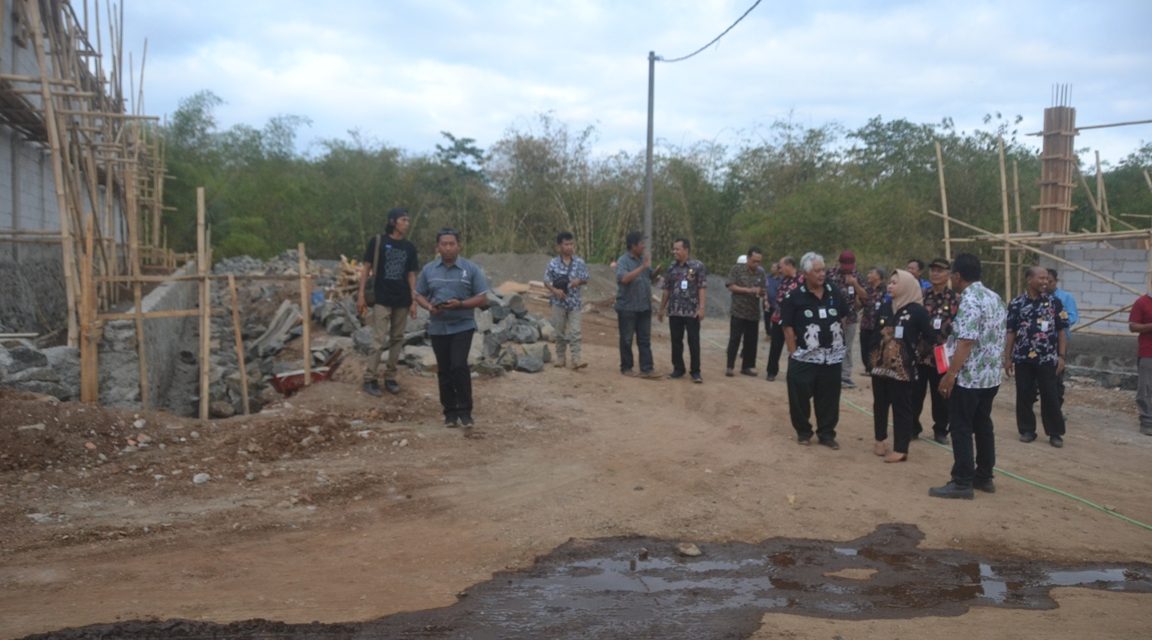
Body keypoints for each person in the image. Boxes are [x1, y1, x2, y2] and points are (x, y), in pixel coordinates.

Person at [930, 253, 1006, 499]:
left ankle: (962, 481)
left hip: (969, 377)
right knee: (983, 424)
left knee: (961, 427)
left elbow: (966, 341)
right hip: (990, 376)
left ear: (957, 276)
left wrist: (951, 374)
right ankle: (984, 476)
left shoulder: (970, 300)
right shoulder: (994, 297)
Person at [413, 228, 491, 427]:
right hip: (438, 327)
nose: (448, 248)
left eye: (452, 244)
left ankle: (465, 411)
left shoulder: (471, 269)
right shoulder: (429, 270)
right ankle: (449, 412)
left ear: (459, 246)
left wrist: (461, 304)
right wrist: (429, 306)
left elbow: (482, 297)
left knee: (459, 365)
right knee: (444, 369)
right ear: (437, 247)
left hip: (462, 325)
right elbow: (418, 294)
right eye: (444, 244)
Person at [781, 252, 850, 449]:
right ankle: (803, 432)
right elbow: (787, 327)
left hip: (831, 358)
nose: (822, 274)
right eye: (817, 271)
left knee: (829, 397)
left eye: (823, 270)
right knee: (799, 396)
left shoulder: (833, 291)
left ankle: (826, 434)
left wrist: (837, 341)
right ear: (805, 274)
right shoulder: (794, 296)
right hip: (805, 357)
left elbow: (843, 317)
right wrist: (793, 353)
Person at [868, 269, 932, 463]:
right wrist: (872, 357)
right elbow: (874, 332)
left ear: (906, 286)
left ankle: (901, 449)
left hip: (903, 369)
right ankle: (880, 440)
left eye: (895, 283)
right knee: (880, 403)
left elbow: (930, 338)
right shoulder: (886, 307)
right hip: (880, 367)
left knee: (901, 407)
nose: (890, 286)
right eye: (890, 282)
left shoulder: (917, 311)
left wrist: (915, 355)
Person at [358, 207, 420, 397]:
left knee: (397, 339)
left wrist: (414, 300)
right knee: (378, 340)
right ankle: (370, 378)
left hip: (402, 299)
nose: (407, 223)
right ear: (393, 222)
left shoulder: (409, 247)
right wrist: (361, 294)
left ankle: (390, 377)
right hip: (382, 298)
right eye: (403, 220)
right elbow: (366, 268)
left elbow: (411, 275)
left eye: (408, 220)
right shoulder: (378, 242)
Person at [1004, 266, 1068, 448]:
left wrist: (1061, 356)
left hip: (1047, 358)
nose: (1045, 282)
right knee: (1024, 394)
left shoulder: (1055, 303)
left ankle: (1055, 433)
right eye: (1041, 278)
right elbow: (1011, 332)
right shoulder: (1016, 303)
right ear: (1029, 279)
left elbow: (1062, 331)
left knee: (1050, 395)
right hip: (1023, 358)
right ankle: (1027, 430)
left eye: (1046, 278)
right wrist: (1007, 357)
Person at [916, 257, 961, 444]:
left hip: (943, 356)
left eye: (940, 271)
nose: (935, 274)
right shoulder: (921, 295)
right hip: (920, 354)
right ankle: (912, 427)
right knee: (914, 393)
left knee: (942, 395)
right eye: (933, 270)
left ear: (948, 274)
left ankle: (941, 430)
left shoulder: (955, 299)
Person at [658, 238, 708, 383]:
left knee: (694, 341)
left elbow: (702, 287)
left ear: (686, 250)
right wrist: (661, 308)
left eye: (677, 249)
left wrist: (702, 308)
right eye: (673, 249)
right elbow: (666, 289)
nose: (674, 252)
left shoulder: (697, 266)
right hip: (675, 310)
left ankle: (696, 371)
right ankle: (678, 368)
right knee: (676, 341)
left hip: (692, 311)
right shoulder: (671, 267)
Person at [615, 231, 660, 379]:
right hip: (627, 307)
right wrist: (642, 267)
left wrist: (655, 272)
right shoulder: (623, 261)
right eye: (641, 244)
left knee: (644, 340)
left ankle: (647, 369)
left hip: (644, 306)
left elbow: (650, 277)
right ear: (633, 246)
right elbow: (624, 279)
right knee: (626, 339)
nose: (644, 247)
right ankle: (626, 367)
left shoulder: (642, 260)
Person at [544, 231, 591, 370]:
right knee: (559, 331)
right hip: (558, 302)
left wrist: (579, 281)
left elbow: (586, 278)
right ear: (559, 246)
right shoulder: (553, 263)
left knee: (575, 331)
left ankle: (576, 359)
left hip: (574, 302)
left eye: (571, 244)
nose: (569, 247)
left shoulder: (579, 262)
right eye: (566, 244)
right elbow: (546, 281)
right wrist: (555, 291)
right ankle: (560, 358)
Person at [725, 247, 766, 376]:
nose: (756, 264)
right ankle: (730, 366)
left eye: (759, 261)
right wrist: (748, 290)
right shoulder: (737, 269)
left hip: (753, 312)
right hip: (738, 311)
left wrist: (761, 292)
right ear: (748, 258)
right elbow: (730, 286)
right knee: (735, 339)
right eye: (754, 261)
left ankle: (748, 366)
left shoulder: (761, 272)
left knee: (751, 341)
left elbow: (764, 290)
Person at [828, 250, 866, 387]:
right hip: (832, 318)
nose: (848, 268)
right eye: (845, 264)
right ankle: (830, 375)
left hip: (850, 318)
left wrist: (854, 284)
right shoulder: (830, 274)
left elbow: (865, 296)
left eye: (850, 265)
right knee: (831, 345)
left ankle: (844, 376)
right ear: (840, 263)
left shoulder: (857, 276)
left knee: (847, 348)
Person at [765, 256, 802, 381]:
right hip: (778, 317)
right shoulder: (783, 280)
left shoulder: (802, 279)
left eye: (781, 267)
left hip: (793, 320)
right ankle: (771, 372)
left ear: (789, 265)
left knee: (793, 346)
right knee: (775, 346)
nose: (780, 270)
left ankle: (793, 373)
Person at [1047, 268, 1078, 407]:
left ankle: (1055, 408)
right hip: (1040, 343)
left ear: (1056, 281)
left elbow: (1072, 316)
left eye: (1050, 281)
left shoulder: (1065, 297)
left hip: (1059, 342)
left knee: (1057, 376)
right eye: (1044, 281)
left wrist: (1056, 322)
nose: (1047, 284)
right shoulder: (1037, 298)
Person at [1127, 290, 1152, 436]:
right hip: (1148, 352)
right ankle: (1147, 421)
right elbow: (1133, 326)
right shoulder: (1142, 302)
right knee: (1146, 388)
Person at [858, 267, 888, 375]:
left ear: (878, 276)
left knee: (877, 348)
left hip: (879, 325)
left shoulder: (886, 290)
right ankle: (868, 368)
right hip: (866, 324)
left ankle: (875, 368)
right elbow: (859, 305)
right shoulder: (867, 290)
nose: (868, 275)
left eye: (871, 273)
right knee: (865, 348)